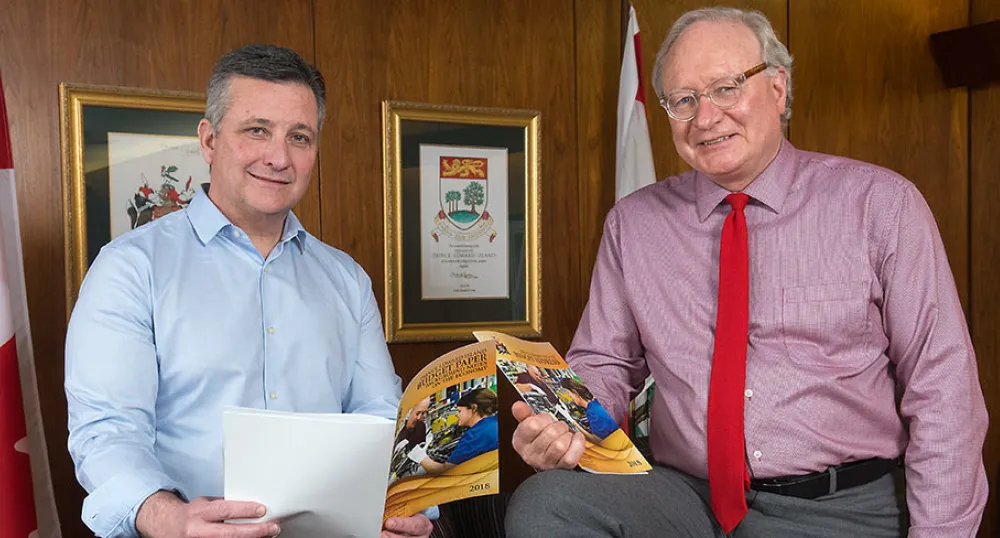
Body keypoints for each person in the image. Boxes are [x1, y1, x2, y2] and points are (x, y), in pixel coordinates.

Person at [505, 7, 987, 538]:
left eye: (727, 88)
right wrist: (564, 421)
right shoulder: (634, 224)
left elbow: (943, 389)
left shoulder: (882, 206)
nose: (705, 117)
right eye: (683, 100)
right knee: (546, 503)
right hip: (688, 497)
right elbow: (605, 361)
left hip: (841, 508)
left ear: (778, 88)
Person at [64, 44, 433, 538]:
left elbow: (378, 419)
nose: (278, 157)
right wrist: (170, 518)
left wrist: (403, 510)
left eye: (299, 137)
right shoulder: (131, 269)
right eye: (257, 130)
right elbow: (107, 434)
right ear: (210, 140)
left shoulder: (347, 280)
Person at [416, 387, 499, 474]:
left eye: (459, 411)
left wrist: (419, 456)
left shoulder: (475, 436)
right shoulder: (495, 422)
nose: (457, 415)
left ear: (473, 408)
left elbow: (445, 472)